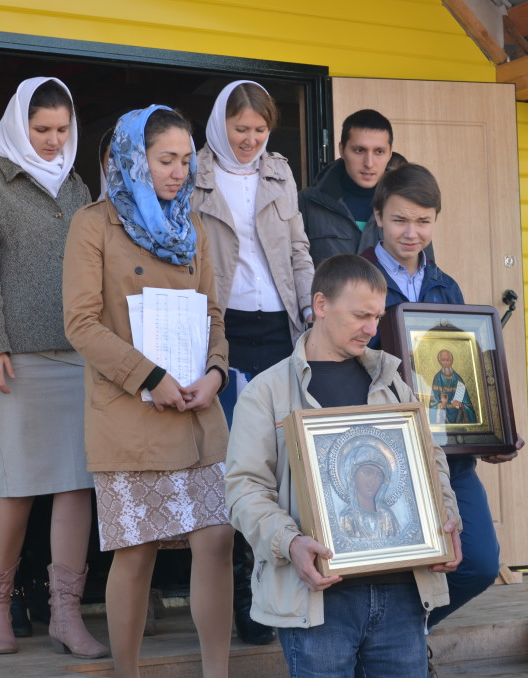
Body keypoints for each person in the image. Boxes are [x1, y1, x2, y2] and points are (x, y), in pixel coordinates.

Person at [225, 254, 462, 676]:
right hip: (318, 601)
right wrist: (290, 542)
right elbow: (244, 489)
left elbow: (431, 463)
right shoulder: (268, 392)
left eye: (377, 316)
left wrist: (447, 524)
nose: (372, 328)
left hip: (403, 595)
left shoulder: (392, 382)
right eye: (359, 315)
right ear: (320, 305)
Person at [63, 105, 234, 678]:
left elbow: (214, 312)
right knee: (135, 554)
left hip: (197, 411)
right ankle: (128, 672)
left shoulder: (196, 227)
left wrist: (215, 373)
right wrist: (151, 378)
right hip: (130, 412)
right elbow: (81, 324)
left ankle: (218, 672)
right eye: (166, 159)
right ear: (136, 159)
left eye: (186, 160)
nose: (179, 171)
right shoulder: (93, 224)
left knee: (216, 541)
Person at [0, 76, 107, 658]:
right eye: (40, 130)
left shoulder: (78, 188)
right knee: (16, 487)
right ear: (19, 127)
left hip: (78, 359)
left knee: (76, 488)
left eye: (61, 130)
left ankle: (65, 615)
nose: (51, 141)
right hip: (15, 363)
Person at [360, 164, 515, 638]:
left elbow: (471, 371)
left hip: (450, 456)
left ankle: (407, 636)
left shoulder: (446, 287)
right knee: (394, 560)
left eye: (424, 221)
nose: (412, 233)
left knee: (481, 562)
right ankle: (394, 649)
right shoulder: (354, 280)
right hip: (380, 450)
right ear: (379, 216)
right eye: (401, 220)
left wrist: (491, 429)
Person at [191, 79, 314, 646]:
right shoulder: (194, 173)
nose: (250, 140)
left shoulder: (279, 171)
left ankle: (279, 580)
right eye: (241, 129)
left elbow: (298, 249)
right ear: (221, 125)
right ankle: (244, 584)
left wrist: (312, 305)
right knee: (237, 459)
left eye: (260, 131)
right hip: (223, 328)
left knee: (284, 457)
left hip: (279, 327)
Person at [299, 110, 434, 267]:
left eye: (379, 152)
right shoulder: (307, 203)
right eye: (359, 150)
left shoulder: (409, 203)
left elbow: (426, 274)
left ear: (390, 153)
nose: (369, 163)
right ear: (342, 149)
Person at [337, 445, 400, 541]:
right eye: (368, 472)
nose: (373, 481)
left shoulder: (387, 516)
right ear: (353, 475)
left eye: (379, 476)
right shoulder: (347, 518)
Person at [429, 350, 476, 425]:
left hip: (459, 419)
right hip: (443, 420)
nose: (446, 363)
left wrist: (460, 405)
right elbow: (433, 405)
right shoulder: (437, 379)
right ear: (439, 362)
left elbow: (468, 406)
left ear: (452, 361)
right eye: (443, 360)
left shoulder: (458, 379)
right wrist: (442, 404)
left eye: (447, 360)